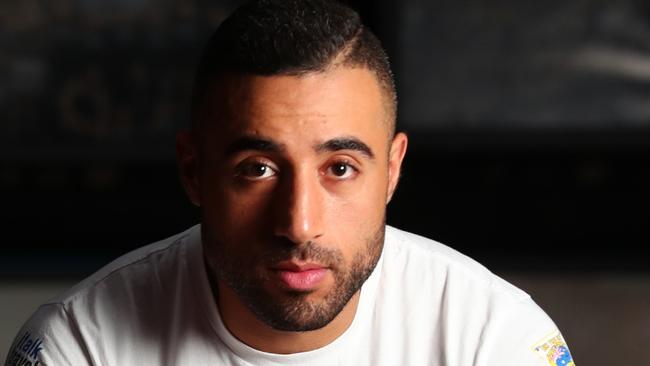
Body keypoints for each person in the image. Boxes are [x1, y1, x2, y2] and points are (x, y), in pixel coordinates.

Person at [5, 1, 575, 365]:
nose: (298, 223)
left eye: (341, 168)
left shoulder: (493, 338)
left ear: (393, 171)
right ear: (193, 171)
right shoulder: (79, 346)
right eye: (258, 168)